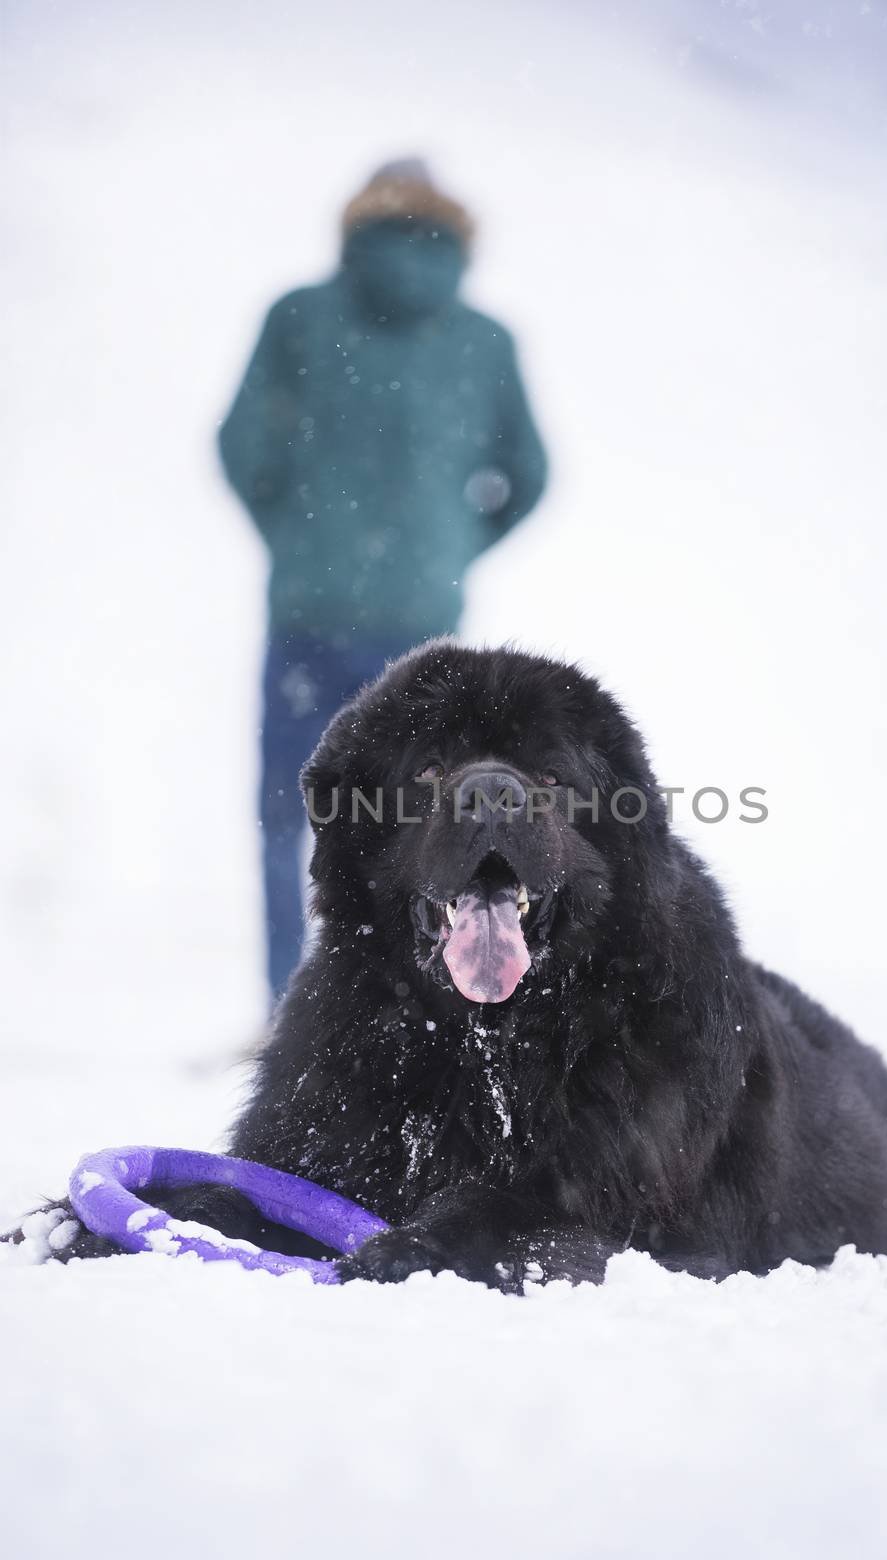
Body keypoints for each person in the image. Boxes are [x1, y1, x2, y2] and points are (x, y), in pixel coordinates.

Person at [219, 159, 548, 1001]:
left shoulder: (299, 317)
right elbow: (530, 475)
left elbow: (240, 447)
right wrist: (447, 552)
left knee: (287, 816)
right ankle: (396, 1012)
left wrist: (295, 538)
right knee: (417, 821)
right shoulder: (483, 339)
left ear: (356, 225)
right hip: (420, 629)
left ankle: (284, 1008)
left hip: (308, 612)